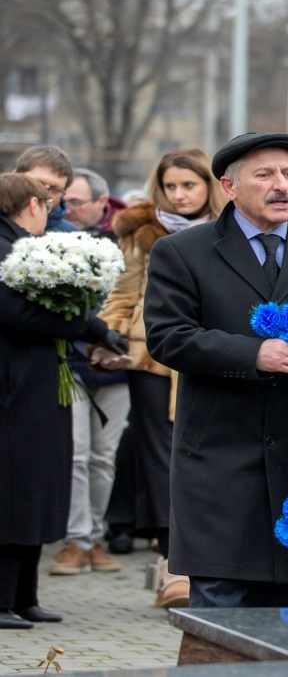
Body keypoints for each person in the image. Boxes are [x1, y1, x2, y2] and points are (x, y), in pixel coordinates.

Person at [143, 132, 288, 609]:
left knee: (280, 615)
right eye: (264, 175)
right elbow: (168, 336)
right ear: (229, 187)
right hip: (218, 457)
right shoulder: (183, 252)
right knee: (217, 610)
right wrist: (253, 354)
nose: (281, 185)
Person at [99, 148, 227, 607]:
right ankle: (171, 562)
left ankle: (195, 563)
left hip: (207, 357)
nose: (179, 195)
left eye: (188, 185)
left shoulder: (228, 231)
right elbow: (123, 293)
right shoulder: (140, 230)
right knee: (157, 457)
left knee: (200, 455)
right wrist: (107, 336)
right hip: (150, 357)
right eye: (170, 186)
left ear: (207, 185)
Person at [0, 173, 124, 629]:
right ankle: (2, 599)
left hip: (37, 382)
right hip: (13, 389)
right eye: (49, 205)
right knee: (14, 491)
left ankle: (23, 596)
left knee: (35, 488)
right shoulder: (5, 246)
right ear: (31, 204)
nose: (54, 215)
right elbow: (18, 313)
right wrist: (90, 327)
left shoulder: (22, 244)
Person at [49, 168, 131, 576]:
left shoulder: (128, 244)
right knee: (76, 454)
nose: (70, 208)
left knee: (104, 456)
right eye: (67, 201)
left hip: (118, 365)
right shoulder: (53, 242)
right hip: (74, 364)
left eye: (78, 201)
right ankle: (75, 541)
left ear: (103, 203)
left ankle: (95, 536)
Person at [14, 145, 76, 232]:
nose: (43, 193)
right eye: (37, 183)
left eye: (54, 189)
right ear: (15, 177)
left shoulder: (70, 237)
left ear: (63, 194)